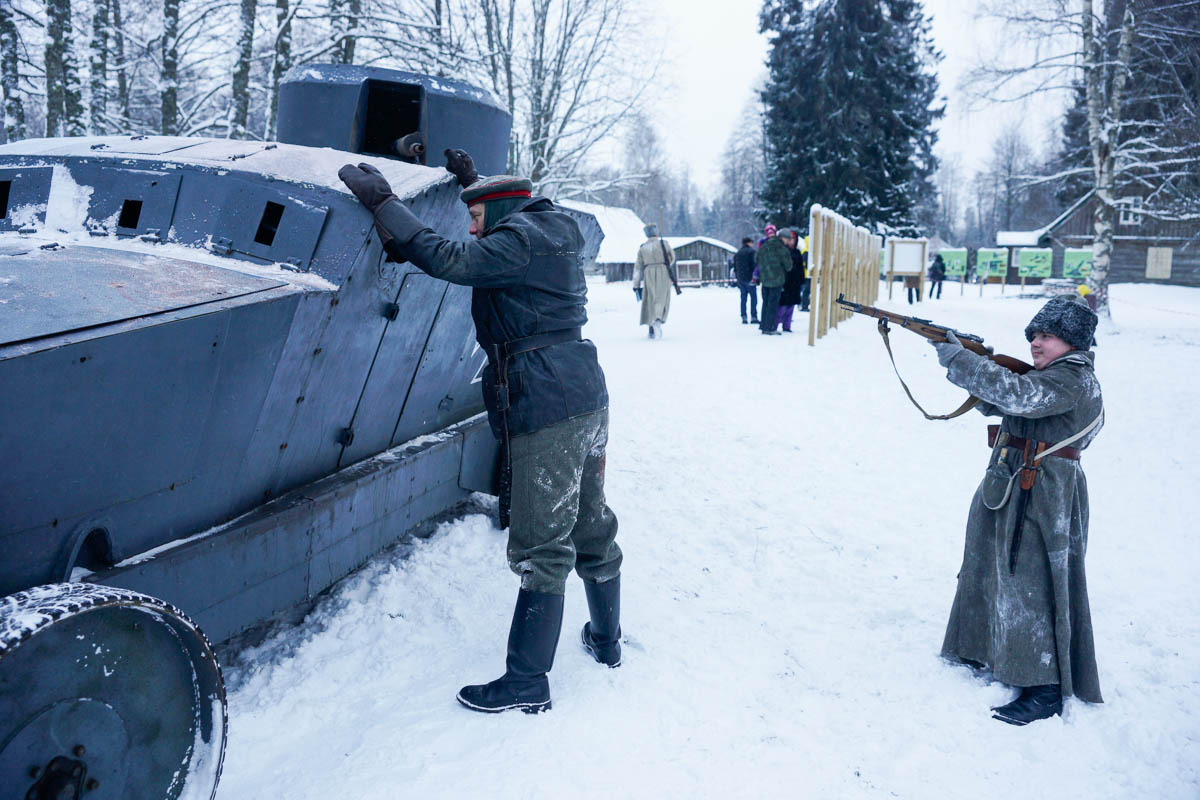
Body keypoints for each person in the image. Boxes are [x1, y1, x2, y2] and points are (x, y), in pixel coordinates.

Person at [338, 151, 623, 715]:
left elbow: (452, 260)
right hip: (584, 393)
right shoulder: (553, 222)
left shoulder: (518, 240)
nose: (470, 226)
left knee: (543, 545)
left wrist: (385, 204)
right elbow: (505, 218)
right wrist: (473, 185)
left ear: (500, 213)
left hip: (547, 402)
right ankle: (608, 642)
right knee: (591, 523)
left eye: (475, 216)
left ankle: (526, 682)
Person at [931, 295, 1103, 726]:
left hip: (1043, 493)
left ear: (1073, 342)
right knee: (991, 568)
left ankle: (1043, 688)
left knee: (1030, 581)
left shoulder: (1074, 379)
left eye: (1047, 336)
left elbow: (1020, 396)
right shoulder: (1052, 376)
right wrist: (967, 365)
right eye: (1034, 335)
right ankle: (984, 647)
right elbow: (1007, 402)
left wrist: (965, 362)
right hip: (1014, 481)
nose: (1036, 344)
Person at [633, 223, 681, 339]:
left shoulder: (643, 248)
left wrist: (636, 284)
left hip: (648, 273)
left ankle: (651, 327)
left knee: (651, 300)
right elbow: (672, 258)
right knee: (662, 298)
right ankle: (658, 320)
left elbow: (638, 268)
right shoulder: (664, 244)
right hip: (663, 272)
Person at [754, 227, 792, 335]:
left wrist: (765, 268)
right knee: (773, 304)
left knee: (765, 303)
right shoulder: (781, 248)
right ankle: (770, 328)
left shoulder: (764, 245)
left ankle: (764, 326)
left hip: (765, 279)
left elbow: (756, 259)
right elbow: (788, 266)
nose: (788, 241)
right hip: (777, 280)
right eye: (787, 239)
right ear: (782, 238)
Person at [777, 229, 805, 332]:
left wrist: (801, 279)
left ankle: (787, 326)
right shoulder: (783, 251)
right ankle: (775, 325)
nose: (791, 241)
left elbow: (800, 268)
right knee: (782, 306)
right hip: (785, 281)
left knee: (791, 306)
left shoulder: (797, 252)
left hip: (795, 283)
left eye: (793, 239)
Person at [732, 236, 758, 324]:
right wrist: (756, 277)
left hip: (740, 279)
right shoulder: (752, 252)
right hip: (750, 279)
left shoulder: (738, 253)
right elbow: (754, 265)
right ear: (749, 243)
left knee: (743, 299)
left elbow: (735, 266)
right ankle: (754, 316)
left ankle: (744, 316)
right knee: (753, 298)